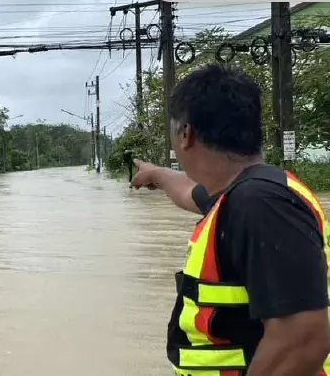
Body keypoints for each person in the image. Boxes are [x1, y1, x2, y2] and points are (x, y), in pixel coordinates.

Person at [130, 64, 330, 376]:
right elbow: (187, 190)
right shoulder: (241, 195)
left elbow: (301, 339)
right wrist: (155, 173)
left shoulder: (261, 205)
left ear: (186, 134)